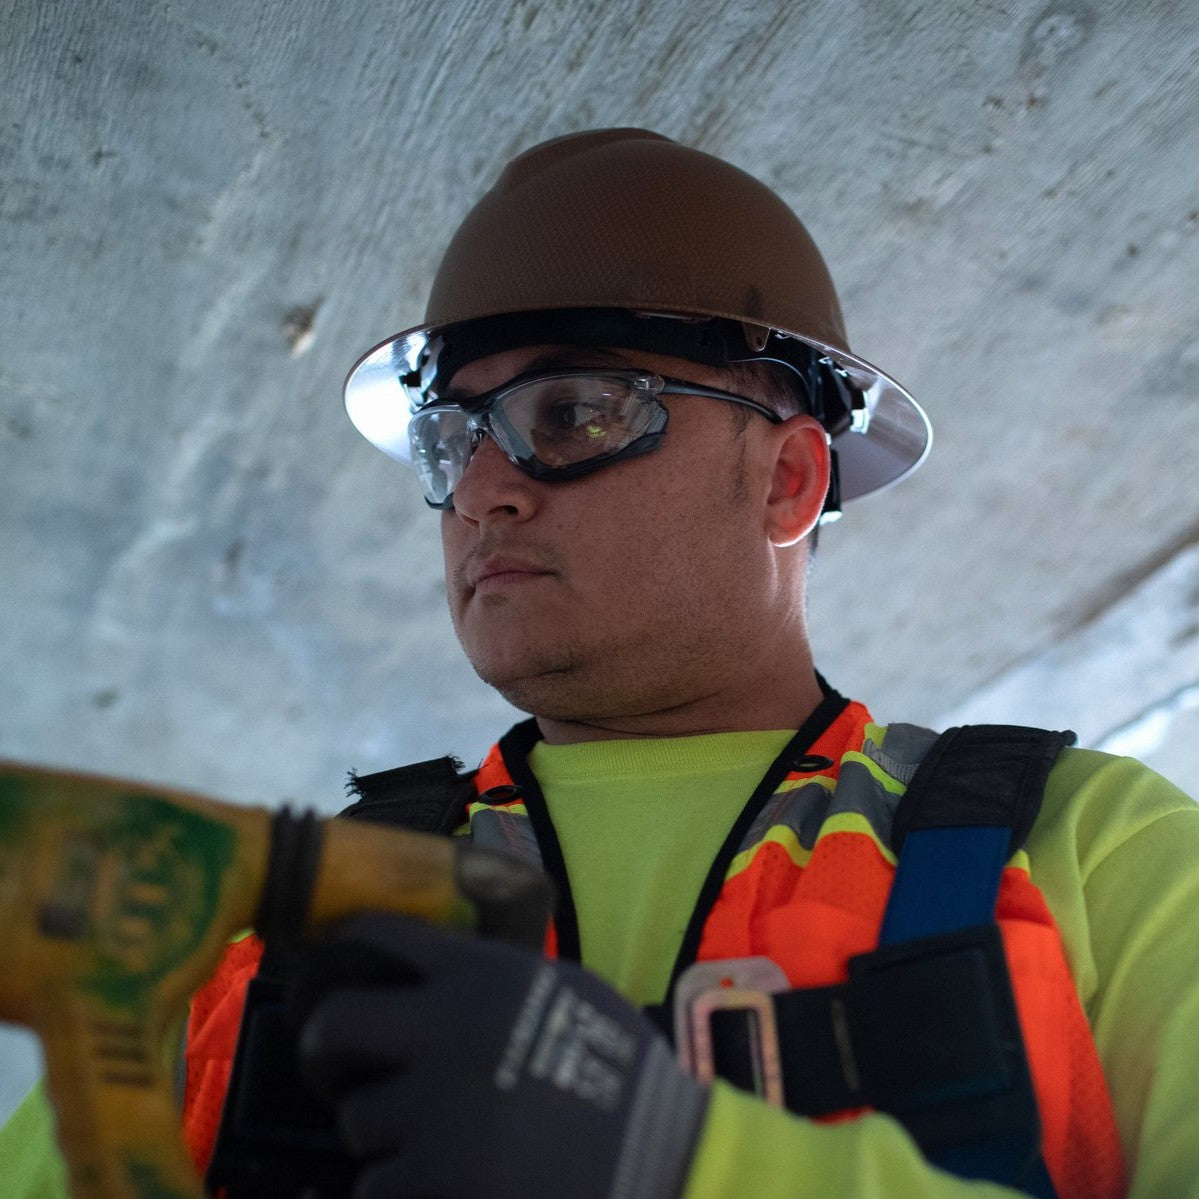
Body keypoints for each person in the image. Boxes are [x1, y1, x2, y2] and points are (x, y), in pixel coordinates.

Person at [6, 128, 1199, 1198]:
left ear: (787, 479)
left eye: (573, 411)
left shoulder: (1093, 849)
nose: (479, 491)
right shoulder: (259, 933)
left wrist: (686, 1163)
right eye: (453, 435)